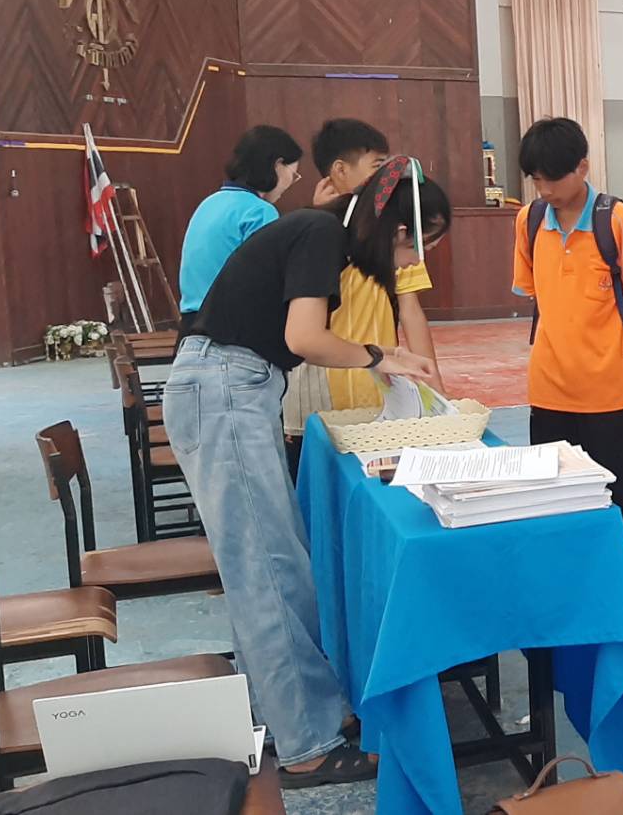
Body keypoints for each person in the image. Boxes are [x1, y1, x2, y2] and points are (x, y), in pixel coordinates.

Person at [166, 159, 446, 786]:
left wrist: (384, 357)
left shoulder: (318, 233)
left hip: (235, 387)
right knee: (267, 570)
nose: (409, 261)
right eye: (414, 245)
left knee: (276, 565)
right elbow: (305, 337)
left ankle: (291, 712)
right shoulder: (320, 234)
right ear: (394, 228)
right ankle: (307, 745)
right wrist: (379, 356)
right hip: (226, 389)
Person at [513, 118, 623, 596]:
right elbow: (539, 294)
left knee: (621, 505)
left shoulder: (619, 222)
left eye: (553, 178)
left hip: (610, 393)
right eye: (536, 179)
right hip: (548, 390)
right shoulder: (529, 221)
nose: (545, 189)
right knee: (552, 505)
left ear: (583, 167)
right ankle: (565, 599)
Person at [280, 120, 444, 474]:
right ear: (340, 170)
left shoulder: (396, 238)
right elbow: (302, 335)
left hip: (377, 383)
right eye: (376, 166)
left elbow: (411, 312)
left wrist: (435, 393)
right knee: (314, 481)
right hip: (317, 384)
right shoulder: (318, 234)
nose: (385, 178)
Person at [177, 126, 303, 332]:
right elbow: (268, 283)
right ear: (278, 165)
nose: (291, 183)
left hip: (190, 326)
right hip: (229, 329)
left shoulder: (209, 203)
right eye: (294, 174)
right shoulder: (259, 211)